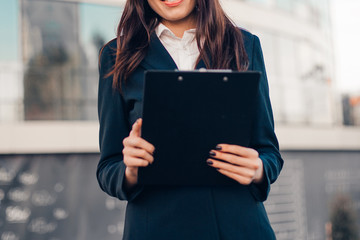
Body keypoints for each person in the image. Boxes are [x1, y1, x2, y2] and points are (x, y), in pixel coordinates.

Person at [97, 0, 284, 239]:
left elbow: (269, 153)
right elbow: (107, 167)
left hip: (237, 226)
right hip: (157, 229)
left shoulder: (245, 45)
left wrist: (257, 168)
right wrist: (130, 170)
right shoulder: (117, 56)